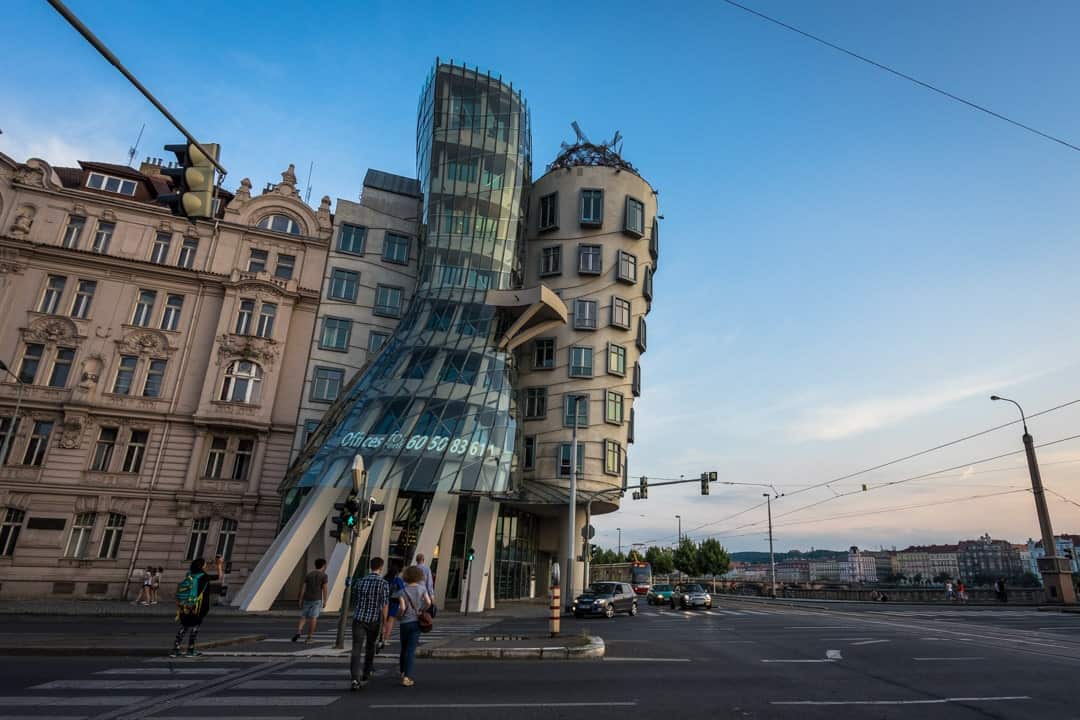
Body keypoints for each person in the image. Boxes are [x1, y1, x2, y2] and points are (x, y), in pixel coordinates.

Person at [350, 557, 390, 691]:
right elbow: (384, 604)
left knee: (356, 648)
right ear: (381, 567)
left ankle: (355, 678)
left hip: (359, 618)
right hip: (374, 619)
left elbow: (355, 597)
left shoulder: (360, 581)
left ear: (370, 567)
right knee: (370, 646)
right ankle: (367, 671)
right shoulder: (383, 583)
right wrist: (385, 622)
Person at [172, 556, 224, 657]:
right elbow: (219, 577)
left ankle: (175, 649)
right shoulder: (204, 576)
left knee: (184, 626)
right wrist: (219, 564)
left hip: (186, 605)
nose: (206, 565)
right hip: (199, 606)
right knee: (195, 627)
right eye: (205, 564)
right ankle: (190, 650)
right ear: (201, 566)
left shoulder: (190, 575)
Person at [396, 565, 432, 687]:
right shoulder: (422, 589)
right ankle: (407, 677)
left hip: (405, 623)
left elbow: (402, 608)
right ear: (418, 576)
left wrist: (399, 616)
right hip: (416, 622)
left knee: (404, 648)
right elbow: (428, 602)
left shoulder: (402, 591)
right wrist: (422, 610)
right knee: (411, 650)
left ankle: (402, 671)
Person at [293, 558, 328, 643]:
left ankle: (299, 631)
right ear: (323, 566)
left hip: (306, 598)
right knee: (313, 618)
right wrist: (325, 600)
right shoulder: (324, 576)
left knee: (303, 616)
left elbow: (303, 588)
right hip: (317, 599)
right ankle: (309, 637)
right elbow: (325, 589)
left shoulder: (309, 575)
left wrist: (300, 599)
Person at [381, 560, 405, 650]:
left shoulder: (384, 579)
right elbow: (402, 592)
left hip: (384, 601)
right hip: (394, 602)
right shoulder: (398, 580)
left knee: (383, 620)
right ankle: (385, 639)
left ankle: (381, 637)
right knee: (390, 621)